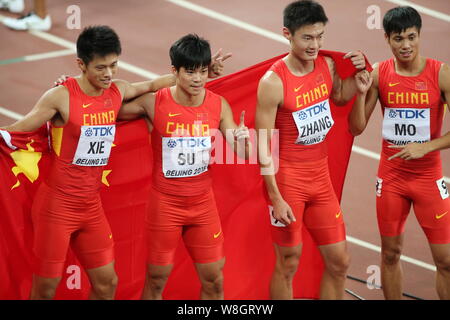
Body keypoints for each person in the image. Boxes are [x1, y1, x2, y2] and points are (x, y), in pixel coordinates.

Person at [0, 25, 186, 300]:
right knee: (44, 291)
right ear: (81, 64)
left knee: (106, 284)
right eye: (100, 67)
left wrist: (197, 71)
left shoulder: (116, 92)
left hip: (91, 207)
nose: (108, 74)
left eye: (113, 65)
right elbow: (18, 129)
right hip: (57, 208)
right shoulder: (61, 96)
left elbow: (150, 85)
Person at [118, 33, 251, 300]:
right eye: (190, 72)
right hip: (165, 206)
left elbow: (243, 153)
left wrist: (244, 141)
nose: (198, 78)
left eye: (203, 71)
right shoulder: (155, 102)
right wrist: (69, 87)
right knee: (156, 281)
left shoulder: (218, 105)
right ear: (174, 72)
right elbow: (110, 104)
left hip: (203, 206)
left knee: (214, 280)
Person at [255, 0, 368, 300]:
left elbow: (339, 96)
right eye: (307, 37)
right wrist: (275, 197)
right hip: (288, 182)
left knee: (339, 261)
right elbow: (263, 146)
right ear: (287, 34)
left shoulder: (326, 65)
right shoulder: (273, 83)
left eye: (320, 36)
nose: (315, 44)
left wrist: (358, 84)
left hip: (320, 179)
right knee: (288, 263)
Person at [349, 6, 450, 300]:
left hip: (428, 179)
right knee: (390, 254)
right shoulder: (380, 74)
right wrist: (360, 93)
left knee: (445, 260)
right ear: (387, 39)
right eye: (398, 39)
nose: (405, 45)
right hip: (391, 179)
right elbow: (356, 128)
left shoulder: (441, 74)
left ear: (419, 36)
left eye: (411, 37)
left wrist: (426, 147)